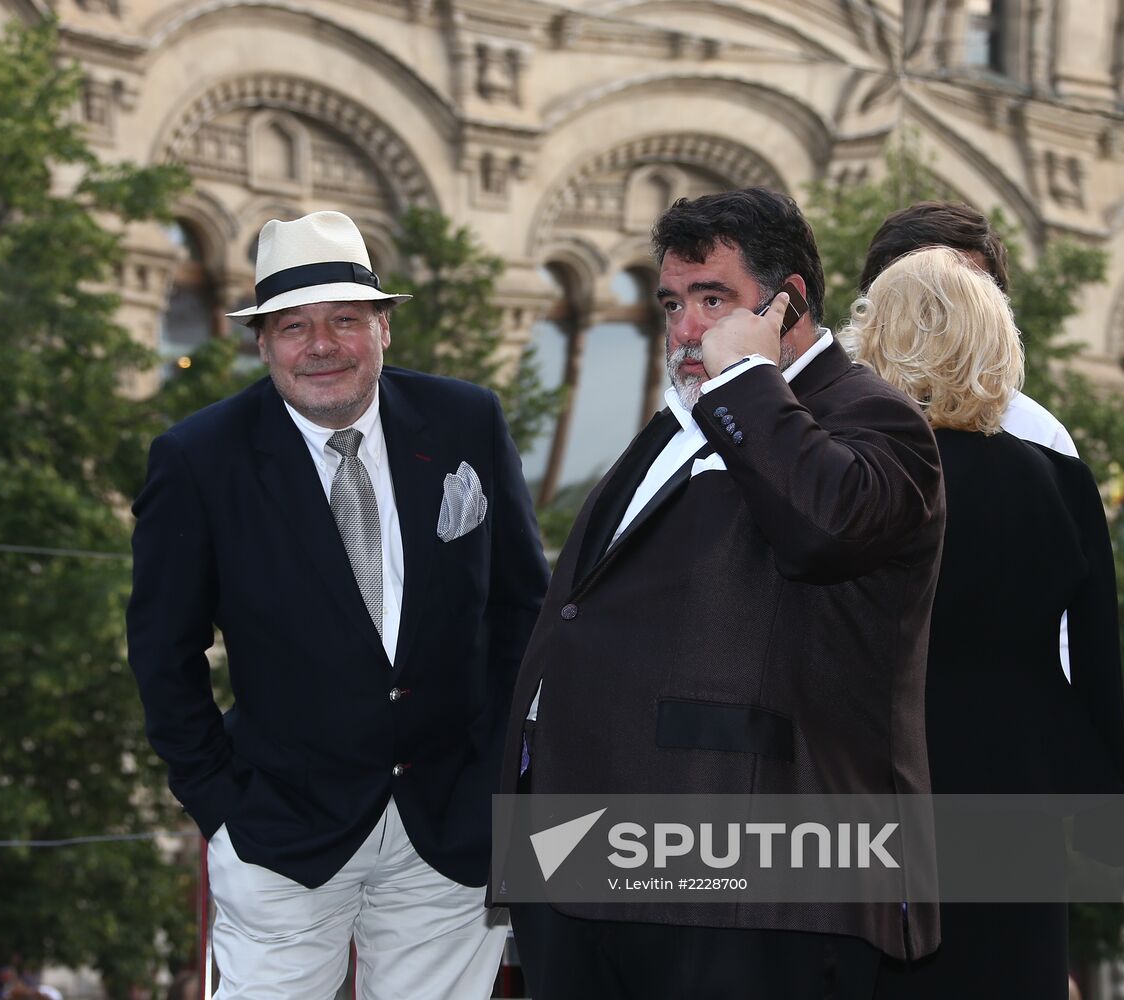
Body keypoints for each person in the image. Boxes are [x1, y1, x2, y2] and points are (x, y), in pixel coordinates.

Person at [501, 188, 947, 999]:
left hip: (749, 879)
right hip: (586, 862)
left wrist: (746, 376)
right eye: (673, 303)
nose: (685, 329)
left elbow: (825, 527)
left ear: (789, 304)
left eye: (715, 300)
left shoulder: (873, 418)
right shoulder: (677, 425)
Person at [126, 210, 549, 999]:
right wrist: (220, 806)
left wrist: (501, 781)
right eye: (294, 326)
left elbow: (523, 610)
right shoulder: (197, 460)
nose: (321, 346)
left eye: (344, 320)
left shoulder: (468, 421)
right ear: (263, 342)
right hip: (280, 830)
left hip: (452, 828)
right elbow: (162, 653)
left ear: (382, 327)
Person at [845, 247, 1124, 999]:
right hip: (1019, 789)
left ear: (878, 342)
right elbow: (1095, 653)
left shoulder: (866, 478)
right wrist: (1106, 824)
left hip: (879, 778)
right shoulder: (1059, 478)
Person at [858, 200, 1076, 457]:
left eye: (966, 297)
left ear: (996, 313)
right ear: (874, 303)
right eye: (924, 299)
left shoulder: (1039, 436)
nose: (945, 323)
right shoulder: (826, 418)